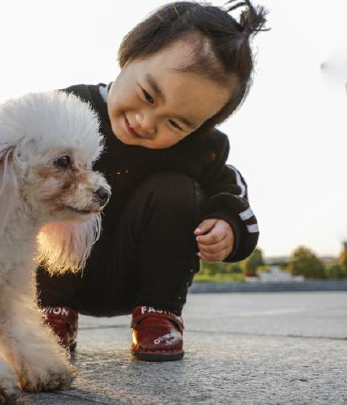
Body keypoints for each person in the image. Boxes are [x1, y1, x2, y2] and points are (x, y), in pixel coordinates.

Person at [37, 0, 268, 361]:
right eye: (148, 95)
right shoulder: (66, 110)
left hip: (141, 278)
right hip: (55, 272)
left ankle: (159, 318)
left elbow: (231, 192)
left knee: (176, 189)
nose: (146, 121)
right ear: (130, 55)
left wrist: (228, 225)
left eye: (176, 123)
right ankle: (48, 316)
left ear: (200, 127)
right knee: (47, 183)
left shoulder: (200, 150)